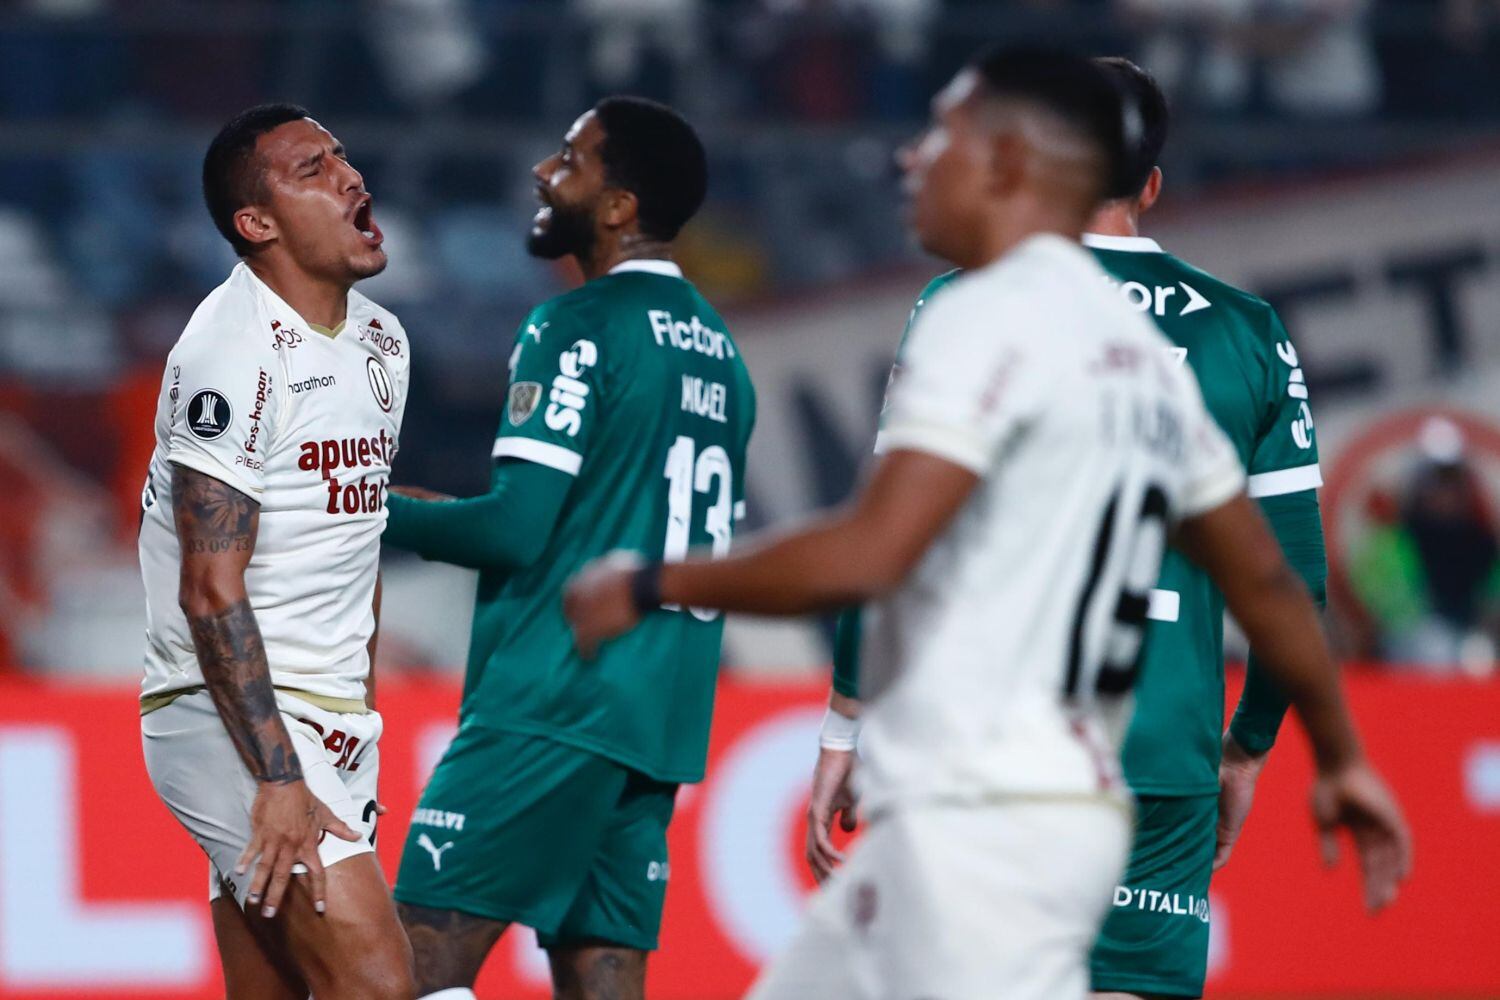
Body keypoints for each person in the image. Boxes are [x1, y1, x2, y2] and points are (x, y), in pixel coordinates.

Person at [564, 47, 1410, 999]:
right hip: (1092, 785)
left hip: (987, 807)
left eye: (943, 134)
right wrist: (1330, 756)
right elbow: (1273, 579)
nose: (912, 156)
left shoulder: (977, 311)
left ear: (1012, 164)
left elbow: (875, 551)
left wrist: (653, 581)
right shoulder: (1157, 357)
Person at [811, 57, 1335, 1000]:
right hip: (1166, 748)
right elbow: (1296, 576)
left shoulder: (969, 306)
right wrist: (1246, 745)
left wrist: (848, 720)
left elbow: (888, 539)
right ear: (1150, 185)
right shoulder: (1249, 331)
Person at [383, 97, 754, 1000]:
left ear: (619, 205)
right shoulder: (724, 357)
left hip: (554, 700)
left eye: (570, 160)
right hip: (655, 718)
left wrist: (361, 508)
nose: (543, 175)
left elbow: (515, 529)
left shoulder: (576, 326)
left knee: (406, 971)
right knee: (603, 980)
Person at [137, 104, 414, 1000]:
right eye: (312, 170)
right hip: (226, 715)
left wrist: (359, 721)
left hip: (332, 718)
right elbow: (209, 588)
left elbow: (357, 538)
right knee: (379, 983)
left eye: (342, 155)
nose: (350, 177)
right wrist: (280, 774)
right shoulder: (230, 351)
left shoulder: (382, 340)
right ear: (256, 224)